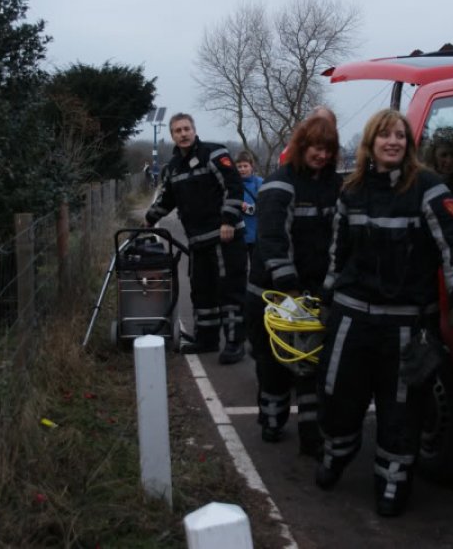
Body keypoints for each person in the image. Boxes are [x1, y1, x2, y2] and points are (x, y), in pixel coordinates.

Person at [316, 109, 453, 517]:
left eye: (400, 136)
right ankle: (337, 452)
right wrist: (327, 297)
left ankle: (392, 481)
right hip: (352, 316)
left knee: (402, 410)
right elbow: (338, 253)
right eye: (385, 136)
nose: (393, 142)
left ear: (409, 144)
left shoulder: (428, 187)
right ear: (369, 144)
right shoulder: (351, 190)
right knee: (337, 393)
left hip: (407, 323)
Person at [245, 116, 343, 458]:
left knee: (311, 365)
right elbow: (272, 238)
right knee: (272, 363)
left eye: (328, 149)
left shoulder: (334, 186)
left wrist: (327, 287)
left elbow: (339, 238)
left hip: (312, 292)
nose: (322, 155)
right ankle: (272, 419)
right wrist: (288, 285)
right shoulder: (280, 184)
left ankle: (311, 435)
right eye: (316, 147)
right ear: (302, 147)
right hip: (271, 293)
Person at [145, 113, 248, 365]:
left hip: (225, 237)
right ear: (172, 135)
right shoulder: (173, 168)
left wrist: (228, 220)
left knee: (229, 291)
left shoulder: (214, 153)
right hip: (198, 241)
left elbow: (233, 186)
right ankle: (207, 339)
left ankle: (235, 343)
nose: (183, 133)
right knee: (202, 292)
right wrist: (148, 219)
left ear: (194, 130)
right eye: (178, 130)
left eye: (186, 128)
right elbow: (167, 199)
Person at [235, 151, 263, 260]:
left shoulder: (260, 183)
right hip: (239, 234)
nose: (242, 169)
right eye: (239, 166)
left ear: (252, 166)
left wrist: (252, 208)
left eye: (245, 166)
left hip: (256, 233)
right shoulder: (233, 185)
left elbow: (266, 204)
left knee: (257, 268)